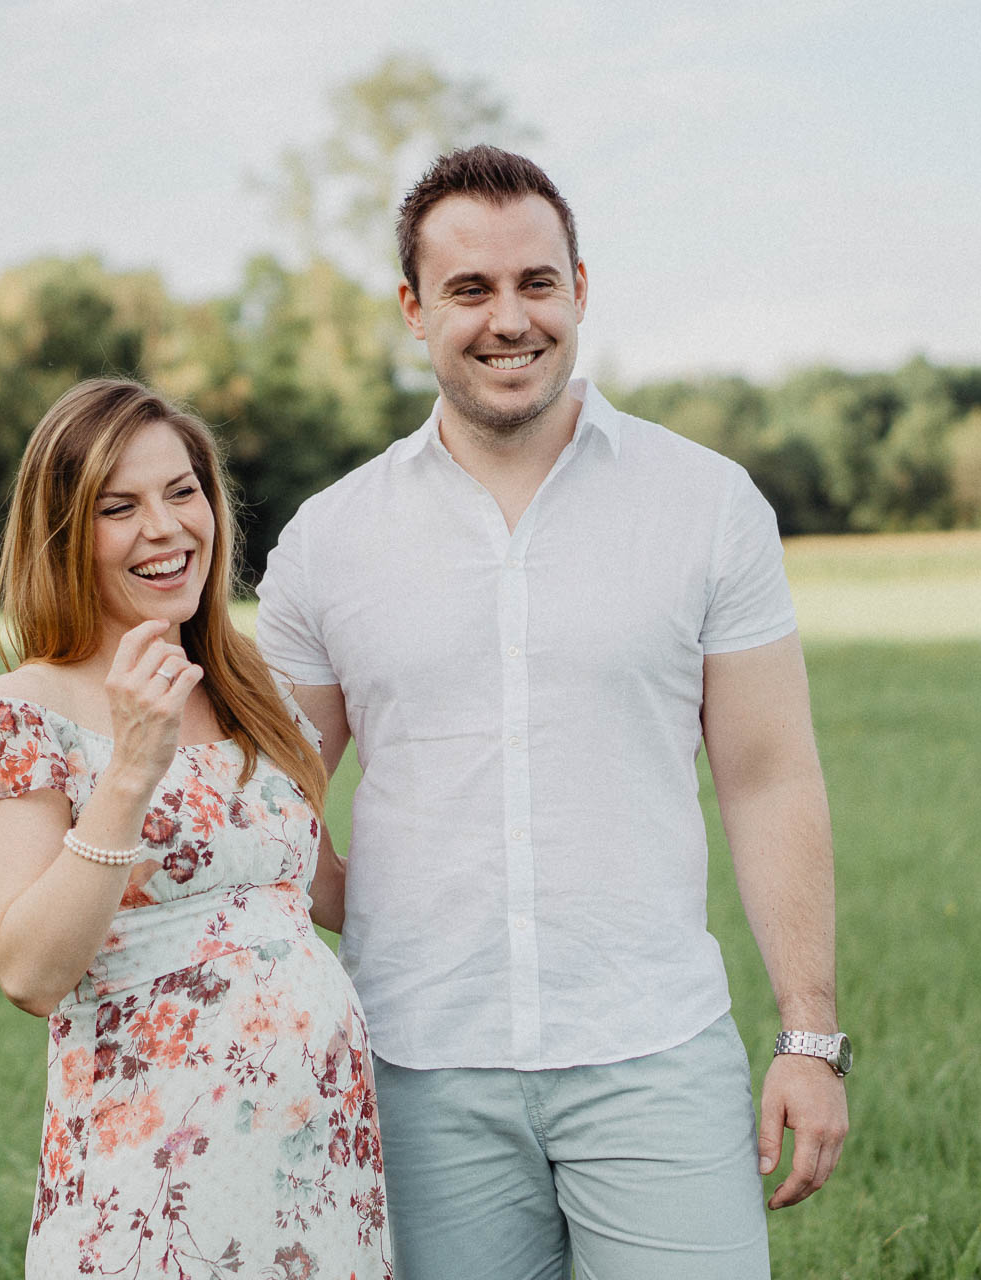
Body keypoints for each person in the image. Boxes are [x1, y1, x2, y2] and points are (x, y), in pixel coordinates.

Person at [254, 145, 850, 1279]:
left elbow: (770, 775)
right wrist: (371, 902)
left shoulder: (709, 505)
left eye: (537, 283)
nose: (508, 319)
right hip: (419, 1071)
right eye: (470, 290)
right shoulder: (330, 540)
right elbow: (274, 804)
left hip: (655, 1053)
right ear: (413, 309)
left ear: (581, 287)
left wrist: (809, 1035)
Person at [0, 378, 392, 1279]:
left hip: (318, 1170)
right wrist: (132, 769)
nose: (167, 528)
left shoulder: (253, 691)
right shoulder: (20, 716)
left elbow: (317, 890)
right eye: (120, 507)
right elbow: (29, 970)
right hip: (152, 1186)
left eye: (183, 492)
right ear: (63, 532)